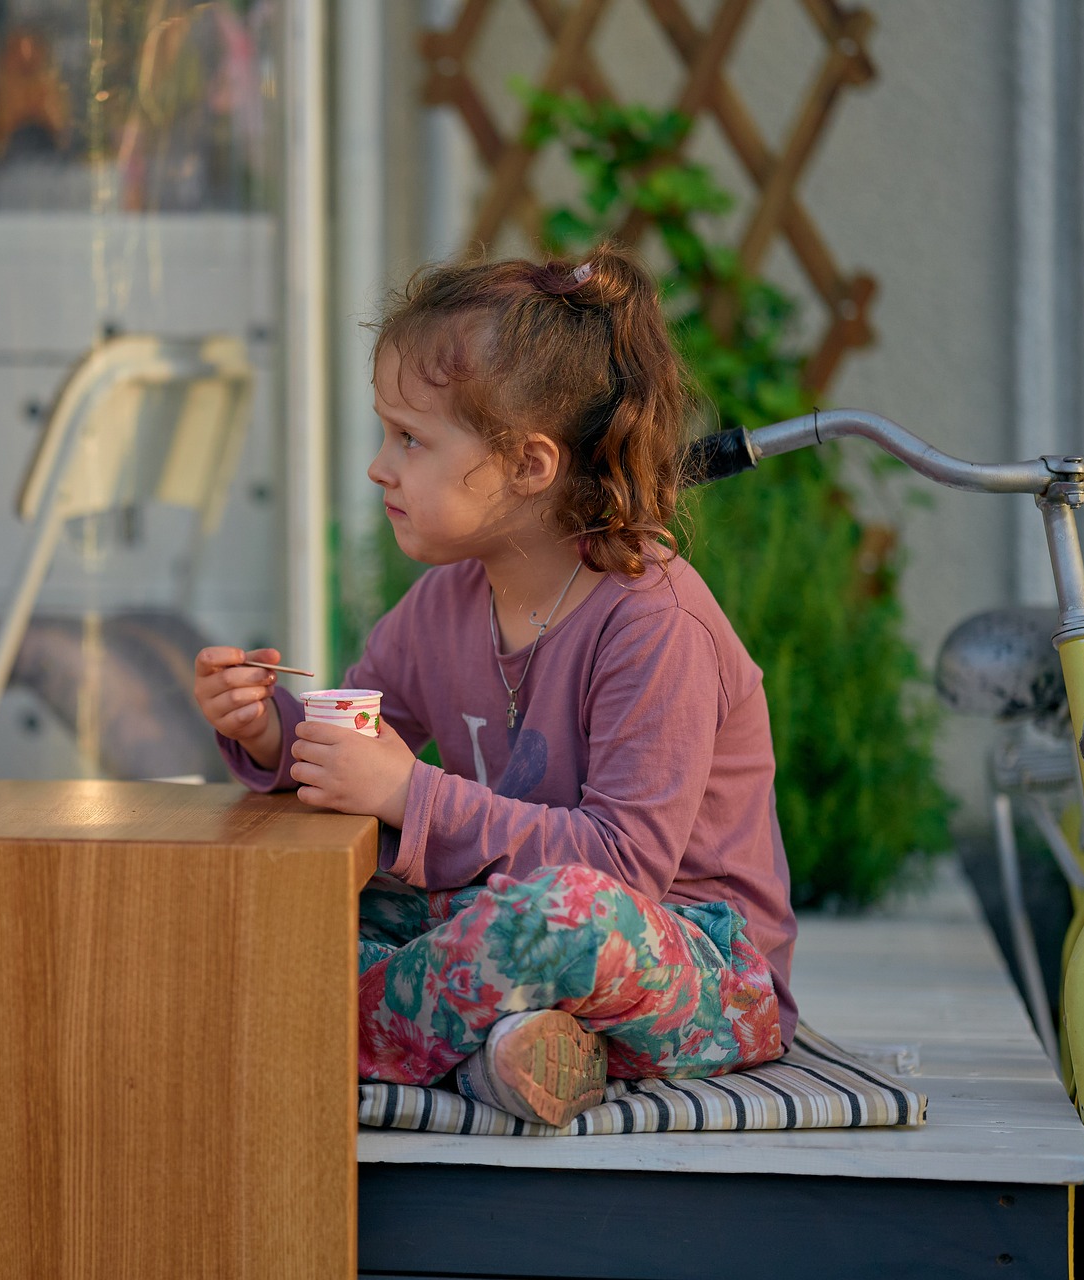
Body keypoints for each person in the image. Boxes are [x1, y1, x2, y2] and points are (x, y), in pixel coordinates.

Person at [194, 245, 796, 1127]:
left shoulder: (654, 620)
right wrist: (268, 731)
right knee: (315, 902)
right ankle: (512, 1052)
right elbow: (362, 738)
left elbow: (623, 869)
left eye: (410, 438)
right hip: (508, 929)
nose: (379, 466)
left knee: (562, 915)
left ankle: (295, 1037)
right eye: (384, 431)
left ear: (529, 466)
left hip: (699, 966)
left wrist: (409, 791)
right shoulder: (445, 603)